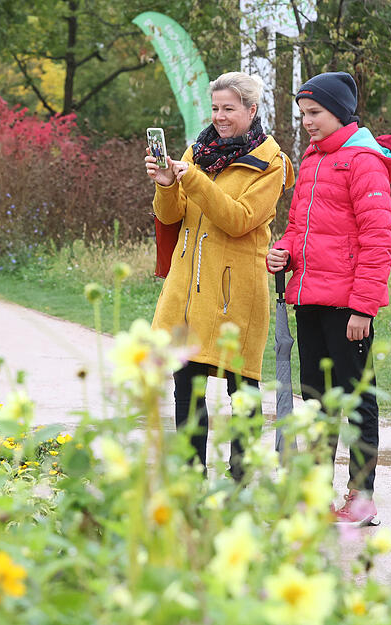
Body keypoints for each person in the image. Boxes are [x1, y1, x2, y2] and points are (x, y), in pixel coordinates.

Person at [266, 71, 391, 526]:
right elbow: (299, 226)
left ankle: (361, 497)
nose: (307, 122)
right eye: (303, 114)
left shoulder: (363, 161)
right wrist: (283, 252)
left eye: (315, 113)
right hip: (310, 300)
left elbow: (378, 240)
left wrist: (364, 307)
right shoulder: (311, 159)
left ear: (339, 112)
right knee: (316, 399)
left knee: (357, 400)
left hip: (348, 307)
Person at [145, 71, 295, 481]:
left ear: (251, 110)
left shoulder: (272, 162)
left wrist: (190, 179)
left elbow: (239, 219)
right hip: (188, 289)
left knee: (241, 386)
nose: (220, 116)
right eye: (215, 108)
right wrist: (165, 184)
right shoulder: (199, 149)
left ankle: (241, 476)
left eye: (229, 108)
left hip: (236, 292)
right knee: (186, 384)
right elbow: (172, 214)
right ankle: (190, 475)